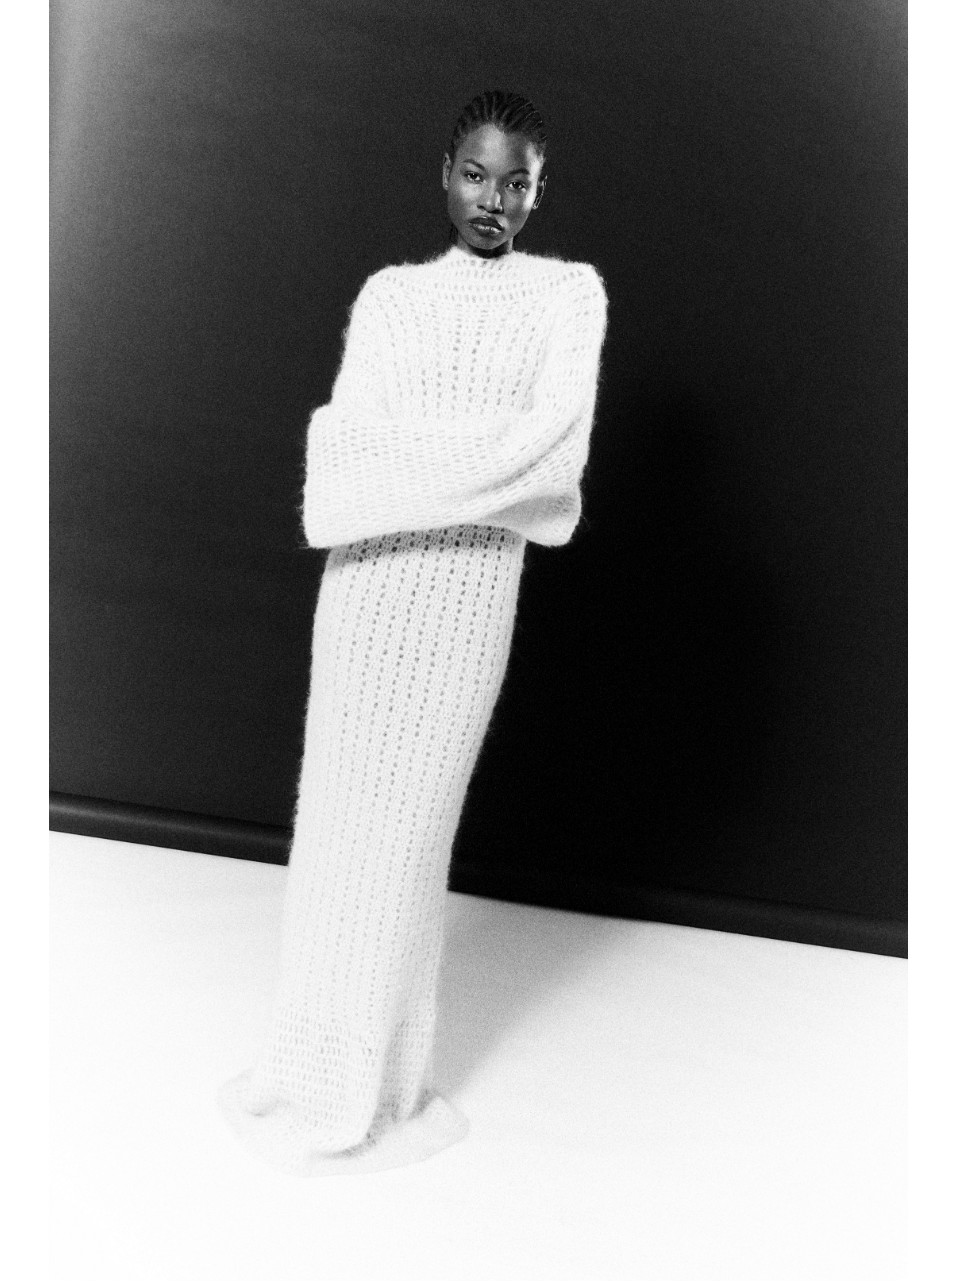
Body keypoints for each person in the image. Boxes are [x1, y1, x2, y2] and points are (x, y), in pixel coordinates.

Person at [218, 89, 609, 1176]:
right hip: (364, 598)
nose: (495, 200)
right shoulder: (390, 297)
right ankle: (310, 1068)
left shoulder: (570, 296)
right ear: (445, 172)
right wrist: (485, 462)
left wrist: (414, 462)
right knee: (337, 839)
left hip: (466, 608)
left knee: (404, 845)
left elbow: (555, 463)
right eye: (477, 174)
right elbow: (340, 471)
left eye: (518, 182)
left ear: (540, 190)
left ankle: (377, 1084)